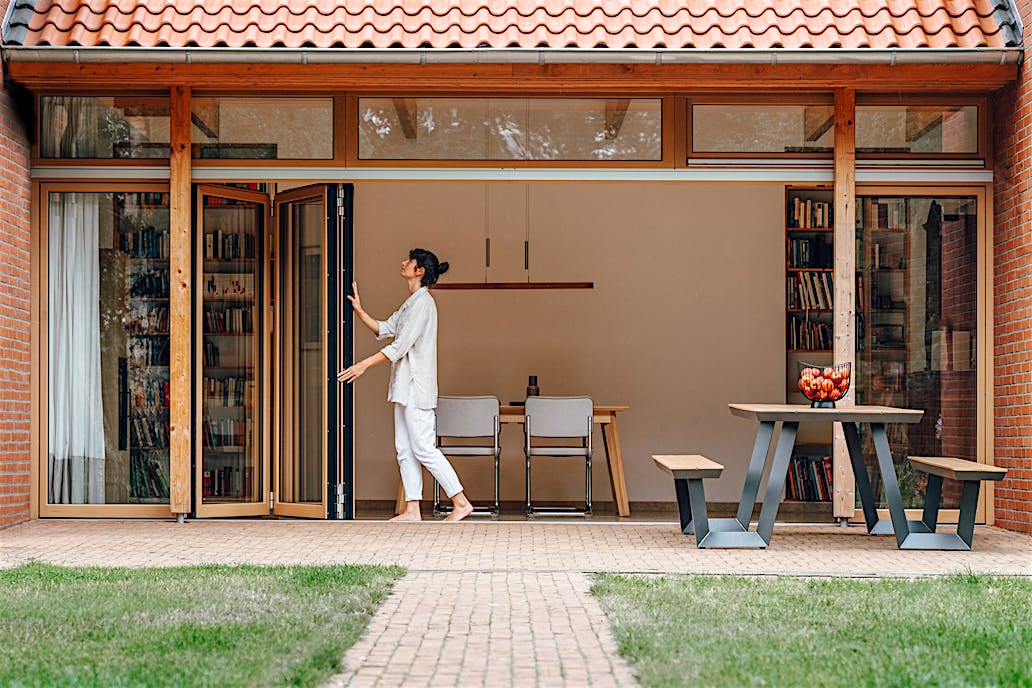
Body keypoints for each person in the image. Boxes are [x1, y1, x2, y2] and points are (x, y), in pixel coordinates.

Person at [337, 248, 474, 522]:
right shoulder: (411, 303)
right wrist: (359, 310)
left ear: (419, 271)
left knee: (423, 447)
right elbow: (384, 329)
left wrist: (362, 365)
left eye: (409, 261)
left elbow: (398, 347)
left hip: (416, 388)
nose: (403, 263)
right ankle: (412, 508)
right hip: (404, 388)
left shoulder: (423, 304)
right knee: (404, 448)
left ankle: (460, 502)